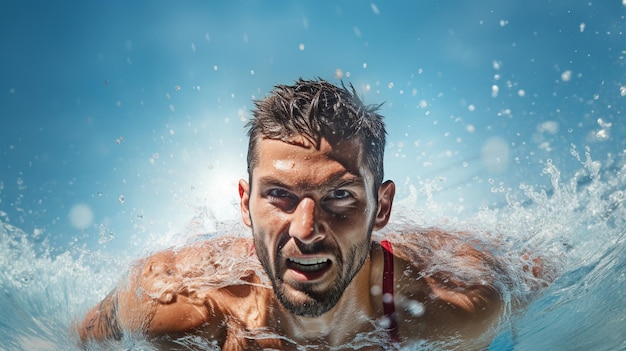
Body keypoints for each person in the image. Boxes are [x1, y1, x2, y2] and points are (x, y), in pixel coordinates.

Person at [77, 79, 545, 350]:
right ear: (245, 204)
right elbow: (87, 332)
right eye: (279, 194)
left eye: (339, 196)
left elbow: (543, 271)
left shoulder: (452, 310)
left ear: (381, 207)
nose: (305, 229)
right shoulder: (181, 308)